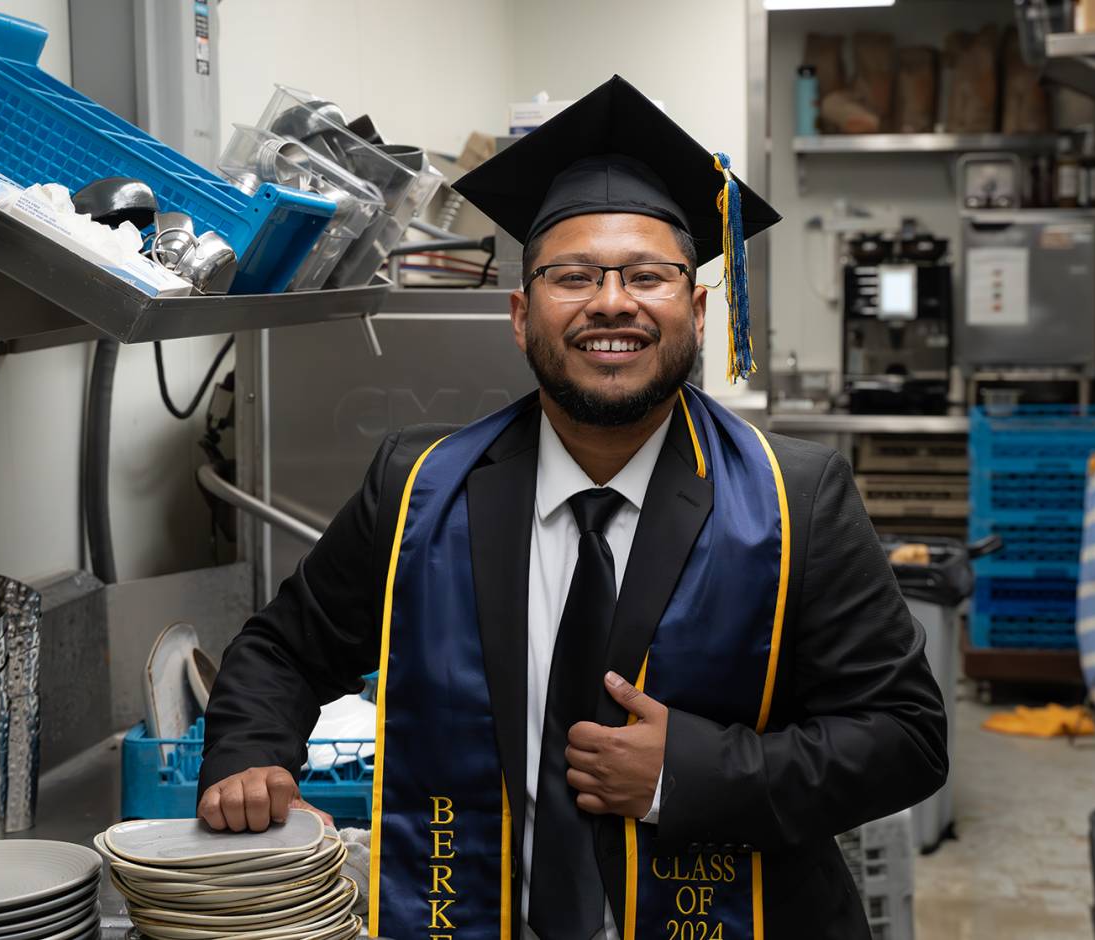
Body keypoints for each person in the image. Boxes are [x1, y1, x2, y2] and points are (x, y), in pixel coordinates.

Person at [198, 75, 947, 940]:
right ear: (520, 317)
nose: (612, 302)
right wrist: (250, 754)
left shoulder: (796, 500)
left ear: (696, 311)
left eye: (647, 276)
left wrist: (689, 774)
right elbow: (283, 650)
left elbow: (907, 738)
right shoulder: (419, 488)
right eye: (574, 276)